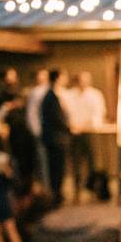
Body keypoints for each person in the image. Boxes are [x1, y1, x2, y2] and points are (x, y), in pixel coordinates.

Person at [66, 71, 106, 201]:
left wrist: (85, 124)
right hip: (75, 133)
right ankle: (77, 191)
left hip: (90, 132)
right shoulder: (70, 95)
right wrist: (73, 125)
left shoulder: (95, 95)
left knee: (93, 162)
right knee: (76, 163)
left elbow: (99, 113)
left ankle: (94, 190)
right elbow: (67, 112)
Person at [41, 68, 71, 205]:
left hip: (56, 137)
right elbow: (56, 118)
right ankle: (56, 197)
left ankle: (57, 195)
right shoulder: (51, 96)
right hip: (55, 139)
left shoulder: (52, 95)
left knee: (57, 168)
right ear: (58, 78)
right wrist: (69, 128)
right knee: (56, 169)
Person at [25, 69, 50, 187]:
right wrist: (35, 130)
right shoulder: (35, 92)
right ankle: (45, 188)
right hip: (41, 130)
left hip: (52, 131)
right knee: (42, 160)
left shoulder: (52, 90)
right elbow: (31, 113)